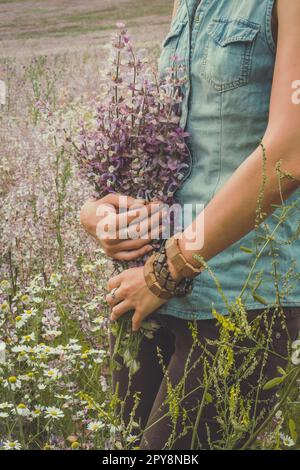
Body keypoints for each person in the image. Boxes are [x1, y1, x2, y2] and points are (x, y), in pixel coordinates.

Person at [80, 0, 300, 449]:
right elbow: (180, 150)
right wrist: (101, 212)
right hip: (152, 295)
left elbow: (290, 154)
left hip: (242, 298)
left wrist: (169, 267)